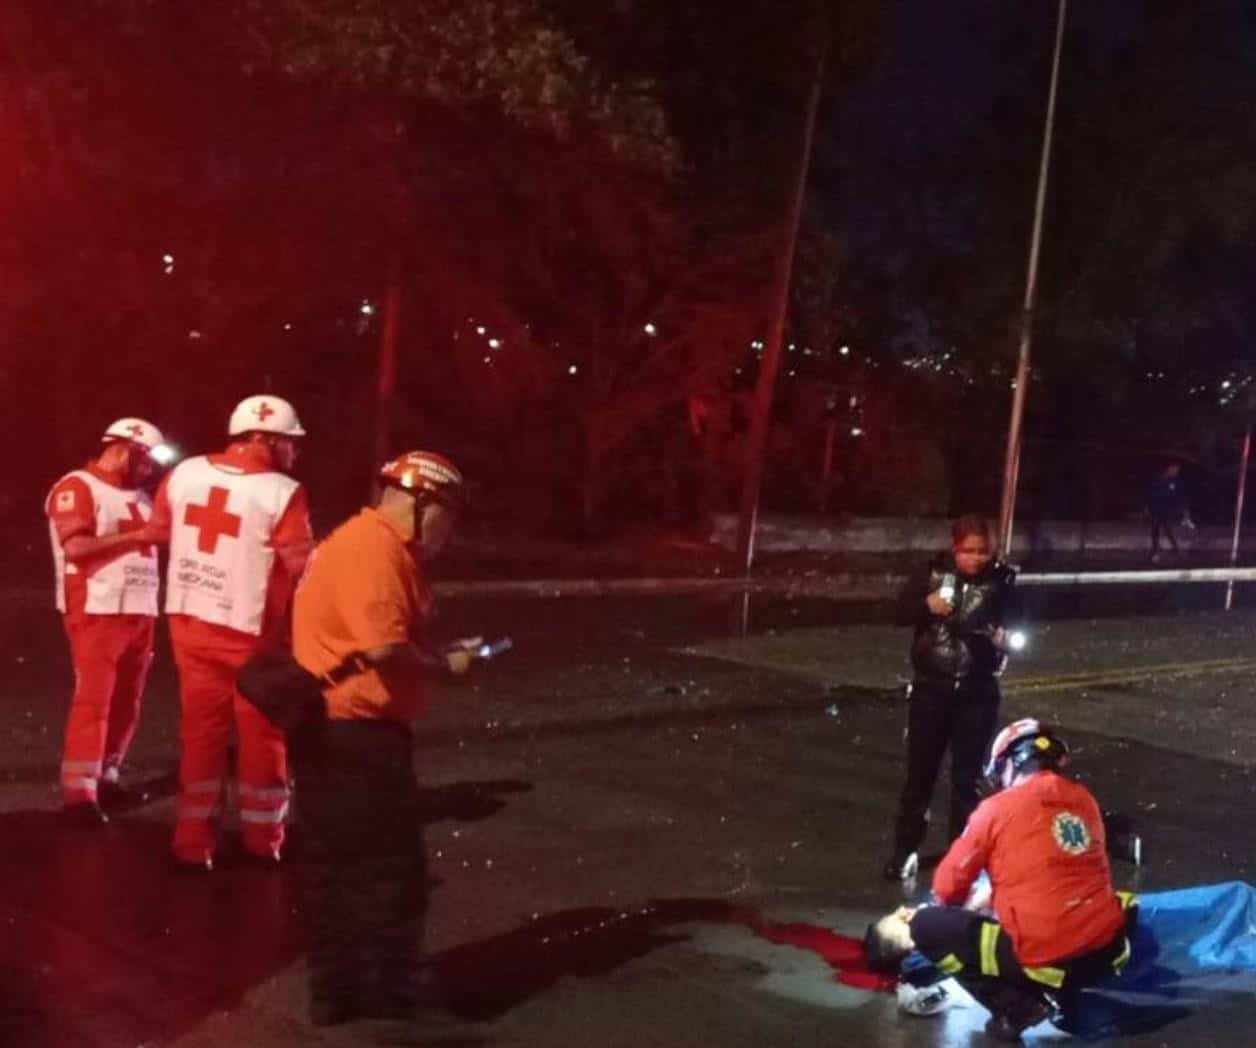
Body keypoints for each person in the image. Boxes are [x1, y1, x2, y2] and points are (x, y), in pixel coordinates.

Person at [289, 450, 475, 1028]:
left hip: (328, 729)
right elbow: (384, 648)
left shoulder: (359, 542)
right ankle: (398, 997)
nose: (450, 530)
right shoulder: (376, 551)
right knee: (394, 868)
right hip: (360, 738)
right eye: (448, 515)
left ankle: (336, 992)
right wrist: (449, 665)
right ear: (422, 503)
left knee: (334, 868)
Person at [865, 719, 1134, 1042]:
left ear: (1011, 763)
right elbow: (1055, 868)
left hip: (1050, 958)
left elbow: (948, 889)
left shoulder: (995, 809)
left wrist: (957, 912)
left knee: (928, 926)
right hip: (1107, 953)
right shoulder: (1084, 800)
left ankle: (1015, 1006)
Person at [149, 395, 312, 870]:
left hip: (189, 624)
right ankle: (263, 840)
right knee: (263, 739)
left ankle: (192, 843)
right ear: (267, 439)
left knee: (201, 735)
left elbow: (163, 530)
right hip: (251, 637)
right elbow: (300, 566)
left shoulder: (184, 474)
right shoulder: (283, 491)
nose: (294, 454)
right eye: (290, 443)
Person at [44, 418, 168, 824]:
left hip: (140, 608)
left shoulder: (140, 494)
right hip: (96, 608)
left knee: (127, 701)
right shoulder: (77, 486)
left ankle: (108, 774)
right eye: (146, 461)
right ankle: (79, 794)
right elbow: (77, 547)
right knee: (94, 701)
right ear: (125, 450)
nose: (149, 471)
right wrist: (139, 537)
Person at [884, 514, 1020, 881]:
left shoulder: (1003, 582)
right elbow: (896, 612)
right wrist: (926, 605)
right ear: (954, 548)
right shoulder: (932, 575)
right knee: (920, 774)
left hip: (977, 692)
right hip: (932, 687)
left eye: (982, 551)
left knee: (966, 779)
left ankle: (962, 856)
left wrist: (1003, 640)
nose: (975, 559)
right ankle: (905, 849)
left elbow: (1019, 628)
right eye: (968, 551)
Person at [1148, 460, 1190, 564]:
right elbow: (1151, 494)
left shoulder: (1176, 482)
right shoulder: (1158, 480)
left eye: (1177, 470)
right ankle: (1155, 550)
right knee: (1155, 528)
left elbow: (1180, 496)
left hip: (1167, 509)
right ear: (1168, 469)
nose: (1176, 472)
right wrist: (1149, 508)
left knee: (1167, 528)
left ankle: (1174, 549)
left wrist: (1184, 511)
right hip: (1156, 508)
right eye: (1174, 469)